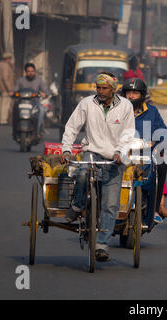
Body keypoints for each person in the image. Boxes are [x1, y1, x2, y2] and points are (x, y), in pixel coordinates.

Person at [61, 72, 135, 262]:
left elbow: (128, 134)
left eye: (104, 88)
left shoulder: (125, 106)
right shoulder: (86, 103)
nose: (100, 91)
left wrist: (120, 152)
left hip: (114, 158)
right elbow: (71, 127)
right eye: (98, 88)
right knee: (83, 173)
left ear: (113, 89)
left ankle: (102, 245)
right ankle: (77, 205)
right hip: (92, 152)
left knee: (111, 205)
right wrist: (66, 150)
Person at [121, 78, 167, 224]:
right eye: (128, 93)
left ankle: (155, 208)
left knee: (162, 167)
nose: (130, 96)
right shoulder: (117, 111)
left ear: (142, 95)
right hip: (121, 155)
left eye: (134, 93)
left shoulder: (152, 112)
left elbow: (163, 132)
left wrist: (157, 143)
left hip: (145, 155)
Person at [13, 63, 48, 137]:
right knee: (15, 108)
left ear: (35, 71)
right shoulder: (20, 80)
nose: (30, 73)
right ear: (25, 72)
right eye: (28, 71)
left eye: (32, 71)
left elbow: (45, 90)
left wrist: (44, 93)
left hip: (35, 103)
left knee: (42, 110)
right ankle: (14, 130)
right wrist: (14, 93)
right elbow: (15, 90)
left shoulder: (39, 80)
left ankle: (38, 131)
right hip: (22, 102)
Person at [0, 53, 14, 125]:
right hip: (5, 88)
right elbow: (5, 78)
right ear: (8, 58)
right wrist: (10, 89)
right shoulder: (6, 66)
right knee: (5, 104)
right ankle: (3, 120)